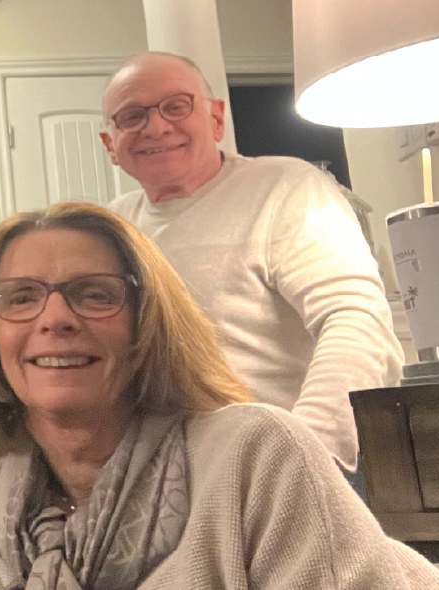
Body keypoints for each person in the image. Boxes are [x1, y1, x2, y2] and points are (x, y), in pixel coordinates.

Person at [0, 202, 439, 589]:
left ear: (146, 323)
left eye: (95, 294)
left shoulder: (257, 451)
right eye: (20, 297)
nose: (55, 318)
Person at [101, 51, 401, 473]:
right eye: (131, 116)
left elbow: (355, 318)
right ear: (110, 144)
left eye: (176, 106)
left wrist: (307, 456)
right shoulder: (112, 225)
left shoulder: (286, 187)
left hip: (277, 469)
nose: (156, 126)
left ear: (216, 118)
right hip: (161, 483)